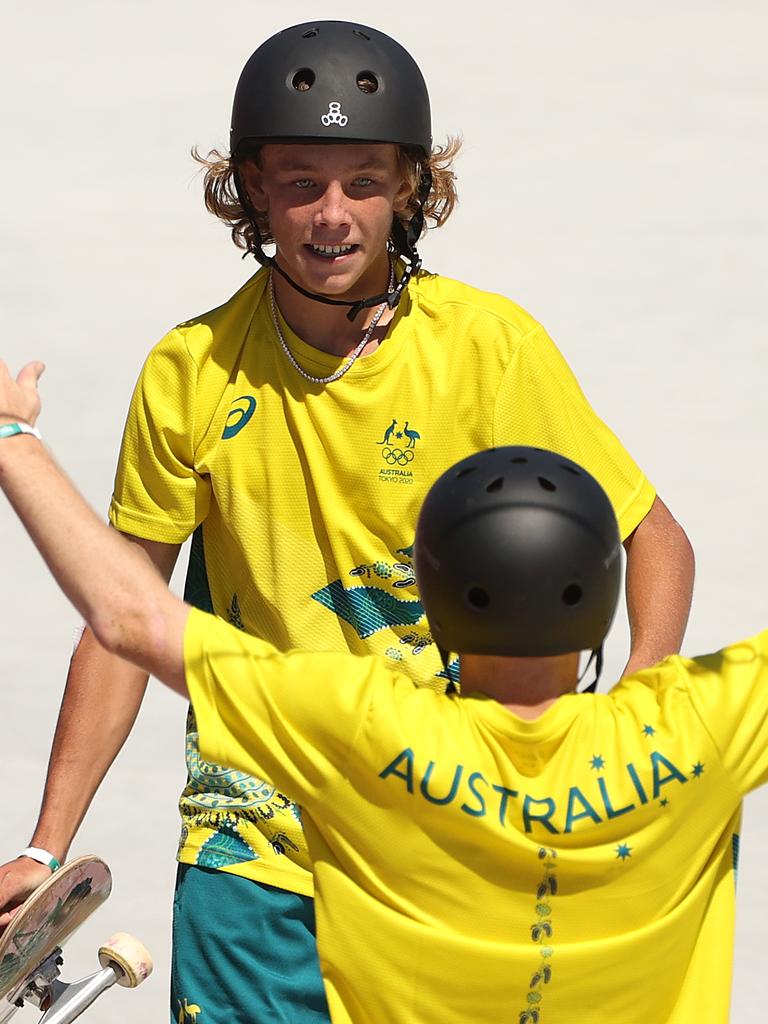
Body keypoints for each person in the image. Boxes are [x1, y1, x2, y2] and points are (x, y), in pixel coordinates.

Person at [0, 20, 695, 1024]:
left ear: (408, 188)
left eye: (364, 181)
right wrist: (45, 845)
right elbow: (125, 613)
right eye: (300, 182)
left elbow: (653, 533)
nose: (332, 216)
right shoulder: (191, 372)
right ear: (251, 188)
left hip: (444, 847)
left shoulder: (486, 349)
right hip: (247, 855)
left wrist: (637, 703)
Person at [0, 368, 757, 1024]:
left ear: (432, 598)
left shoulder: (366, 730)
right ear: (601, 590)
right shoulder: (697, 724)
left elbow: (132, 616)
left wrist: (11, 435)